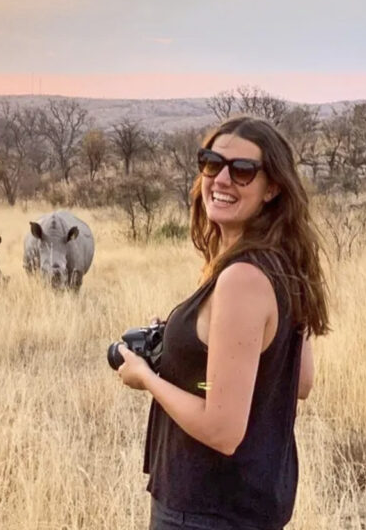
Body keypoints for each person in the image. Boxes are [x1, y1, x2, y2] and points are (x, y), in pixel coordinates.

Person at [116, 116, 330, 530]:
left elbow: (223, 428)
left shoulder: (242, 279)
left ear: (272, 188)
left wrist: (147, 378)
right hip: (248, 505)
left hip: (206, 510)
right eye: (212, 163)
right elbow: (297, 381)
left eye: (243, 170)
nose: (223, 179)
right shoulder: (282, 267)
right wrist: (190, 351)